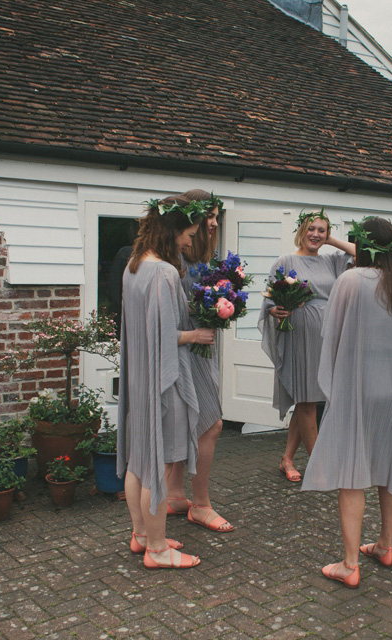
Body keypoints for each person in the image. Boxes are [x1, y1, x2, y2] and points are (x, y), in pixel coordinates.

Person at [302, 217, 392, 589]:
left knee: (353, 472)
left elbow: (333, 333)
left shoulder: (350, 282)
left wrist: (334, 385)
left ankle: (349, 564)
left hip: (359, 389)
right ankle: (385, 546)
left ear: (361, 246)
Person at [116, 194, 215, 569]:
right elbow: (162, 335)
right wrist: (195, 335)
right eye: (187, 234)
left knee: (138, 462)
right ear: (172, 232)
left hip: (140, 378)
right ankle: (157, 550)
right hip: (162, 380)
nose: (190, 242)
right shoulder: (164, 272)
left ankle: (141, 534)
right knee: (155, 463)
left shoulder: (133, 266)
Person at [259, 209, 355, 483]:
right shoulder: (286, 260)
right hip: (300, 336)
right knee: (307, 401)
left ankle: (287, 459)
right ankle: (320, 467)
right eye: (311, 229)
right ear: (301, 231)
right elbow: (269, 297)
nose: (315, 234)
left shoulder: (332, 260)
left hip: (329, 335)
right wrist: (274, 309)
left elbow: (364, 254)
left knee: (310, 399)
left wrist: (331, 241)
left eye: (321, 230)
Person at [165, 189, 234, 533]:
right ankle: (201, 505)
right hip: (181, 350)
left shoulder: (210, 259)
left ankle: (175, 496)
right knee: (211, 424)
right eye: (206, 215)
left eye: (215, 216)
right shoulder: (172, 261)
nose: (211, 222)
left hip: (203, 351)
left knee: (193, 423)